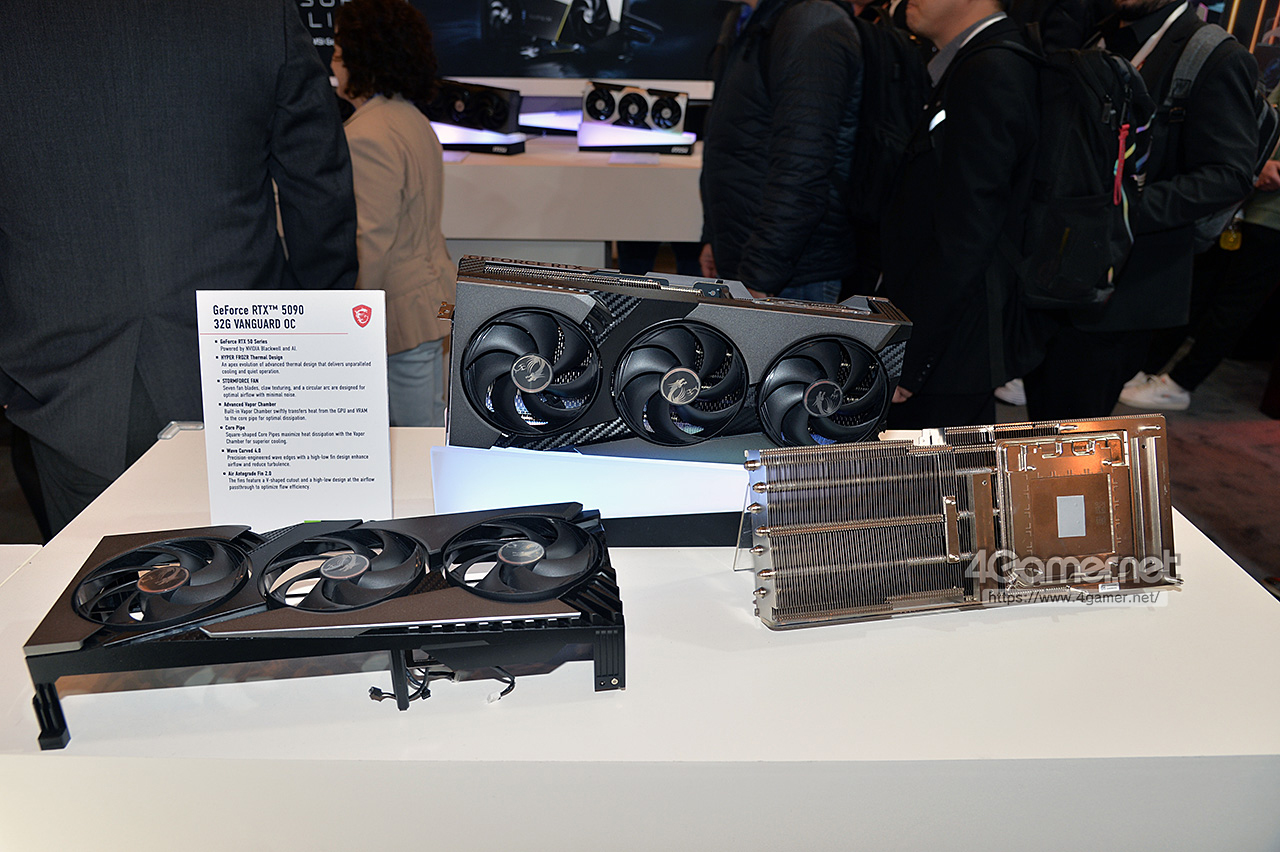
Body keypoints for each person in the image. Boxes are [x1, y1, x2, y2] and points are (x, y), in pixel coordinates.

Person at [0, 0, 358, 537]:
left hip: (66, 383)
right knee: (268, 570)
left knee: (102, 580)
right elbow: (319, 193)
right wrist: (316, 340)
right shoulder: (256, 15)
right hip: (253, 371)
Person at [1022, 0, 1258, 421]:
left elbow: (1229, 175)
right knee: (1041, 420)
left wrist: (1118, 210)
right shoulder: (1097, 33)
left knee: (1070, 434)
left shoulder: (1213, 55)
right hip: (1055, 273)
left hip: (1123, 293)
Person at [878, 0, 1040, 428]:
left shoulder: (992, 69)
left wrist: (911, 352)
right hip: (945, 335)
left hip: (951, 346)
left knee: (933, 468)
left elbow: (969, 230)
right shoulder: (973, 62)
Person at [332, 0, 456, 427]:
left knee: (410, 439)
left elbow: (371, 242)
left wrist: (351, 324)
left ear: (362, 57)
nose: (333, 64)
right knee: (427, 429)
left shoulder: (368, 134)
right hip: (429, 302)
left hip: (396, 315)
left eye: (338, 53)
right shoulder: (412, 119)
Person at [1121, 92, 1280, 412]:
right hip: (1240, 200)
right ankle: (1146, 367)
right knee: (1197, 289)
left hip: (1272, 216)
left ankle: (1180, 383)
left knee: (1232, 306)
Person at [698, 0, 862, 301]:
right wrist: (714, 239)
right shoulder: (747, 18)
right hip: (750, 261)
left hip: (790, 277)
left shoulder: (811, 23)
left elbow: (803, 167)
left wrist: (760, 273)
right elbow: (731, 141)